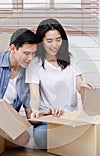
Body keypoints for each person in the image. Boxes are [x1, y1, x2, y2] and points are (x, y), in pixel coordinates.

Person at [26, 18, 94, 149]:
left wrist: (83, 86)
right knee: (41, 137)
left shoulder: (73, 59)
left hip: (70, 118)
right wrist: (36, 111)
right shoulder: (34, 65)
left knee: (88, 131)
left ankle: (68, 141)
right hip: (48, 120)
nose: (54, 45)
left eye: (58, 40)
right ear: (41, 42)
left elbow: (79, 84)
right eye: (49, 41)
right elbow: (34, 97)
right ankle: (70, 143)